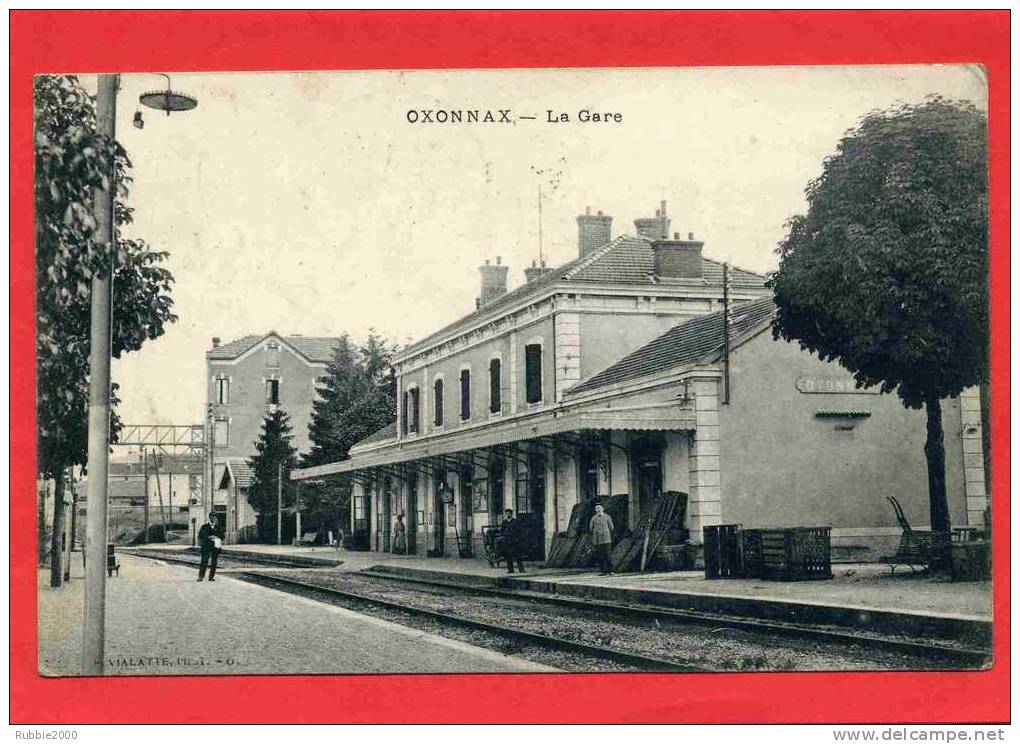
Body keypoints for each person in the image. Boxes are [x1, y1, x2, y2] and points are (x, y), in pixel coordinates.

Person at [589, 502, 615, 575]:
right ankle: (604, 571)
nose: (598, 510)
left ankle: (611, 570)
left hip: (606, 539)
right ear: (595, 510)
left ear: (603, 509)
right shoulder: (593, 518)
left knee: (608, 555)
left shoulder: (607, 517)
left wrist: (606, 533)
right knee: (601, 556)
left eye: (599, 508)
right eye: (597, 508)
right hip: (597, 540)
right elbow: (591, 528)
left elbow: (611, 527)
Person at [197, 514, 222, 582]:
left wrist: (216, 537)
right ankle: (201, 577)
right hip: (206, 546)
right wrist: (208, 537)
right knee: (204, 561)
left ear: (216, 519)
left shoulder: (218, 527)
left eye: (214, 518)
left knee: (214, 562)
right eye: (211, 518)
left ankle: (211, 577)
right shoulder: (204, 526)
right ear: (209, 518)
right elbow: (200, 535)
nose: (213, 519)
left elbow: (222, 536)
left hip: (215, 546)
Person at [500, 509, 525, 574]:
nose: (508, 514)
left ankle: (521, 569)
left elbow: (520, 530)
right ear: (505, 514)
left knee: (518, 556)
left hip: (515, 541)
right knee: (508, 556)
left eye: (509, 513)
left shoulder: (515, 521)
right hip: (507, 542)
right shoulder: (504, 522)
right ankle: (510, 570)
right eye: (507, 513)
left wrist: (518, 538)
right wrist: (504, 537)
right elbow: (501, 531)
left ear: (511, 514)